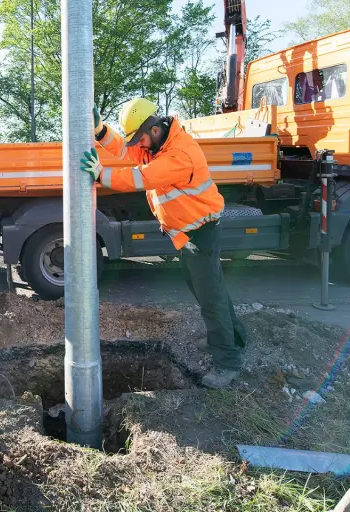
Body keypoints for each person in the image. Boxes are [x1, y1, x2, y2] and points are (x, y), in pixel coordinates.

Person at [81, 98, 247, 388]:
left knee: (211, 299)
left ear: (154, 129)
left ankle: (227, 362)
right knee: (210, 292)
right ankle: (236, 338)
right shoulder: (156, 145)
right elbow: (125, 148)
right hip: (189, 234)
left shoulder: (179, 154)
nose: (138, 145)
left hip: (200, 234)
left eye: (141, 138)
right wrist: (100, 131)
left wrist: (100, 174)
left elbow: (139, 178)